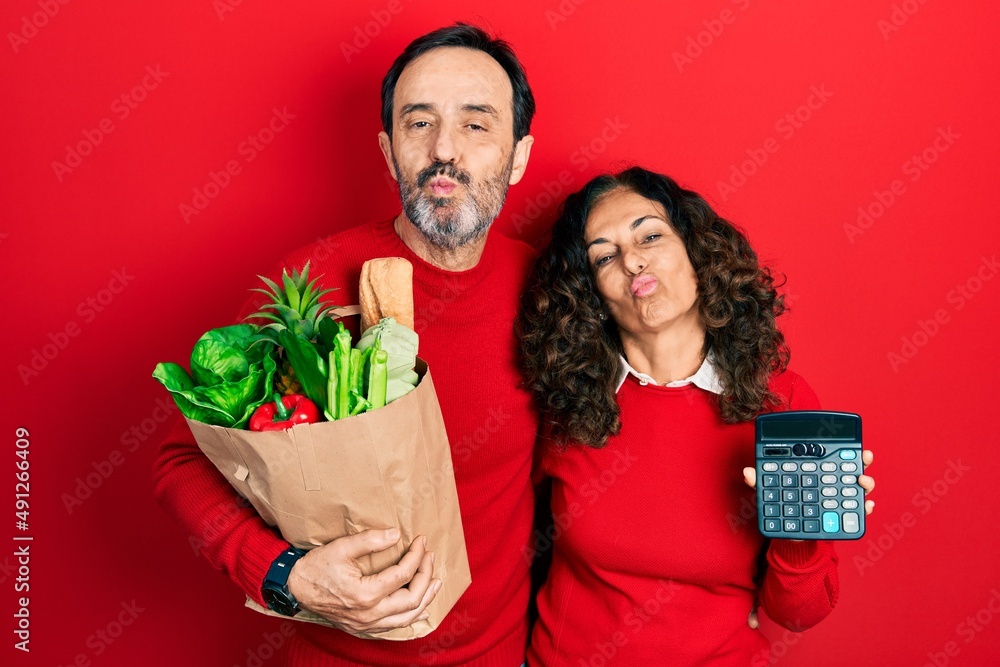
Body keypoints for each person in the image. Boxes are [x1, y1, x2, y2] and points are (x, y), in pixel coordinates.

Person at [153, 24, 539, 666]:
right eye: (419, 124)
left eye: (476, 125)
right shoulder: (307, 286)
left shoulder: (548, 289)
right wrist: (284, 574)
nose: (444, 150)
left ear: (518, 156)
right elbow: (180, 464)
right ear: (389, 153)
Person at [517, 166, 875, 666]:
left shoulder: (780, 403)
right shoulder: (565, 404)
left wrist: (802, 532)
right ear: (592, 296)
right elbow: (510, 538)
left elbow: (798, 614)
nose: (633, 261)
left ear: (697, 255)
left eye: (651, 235)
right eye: (605, 256)